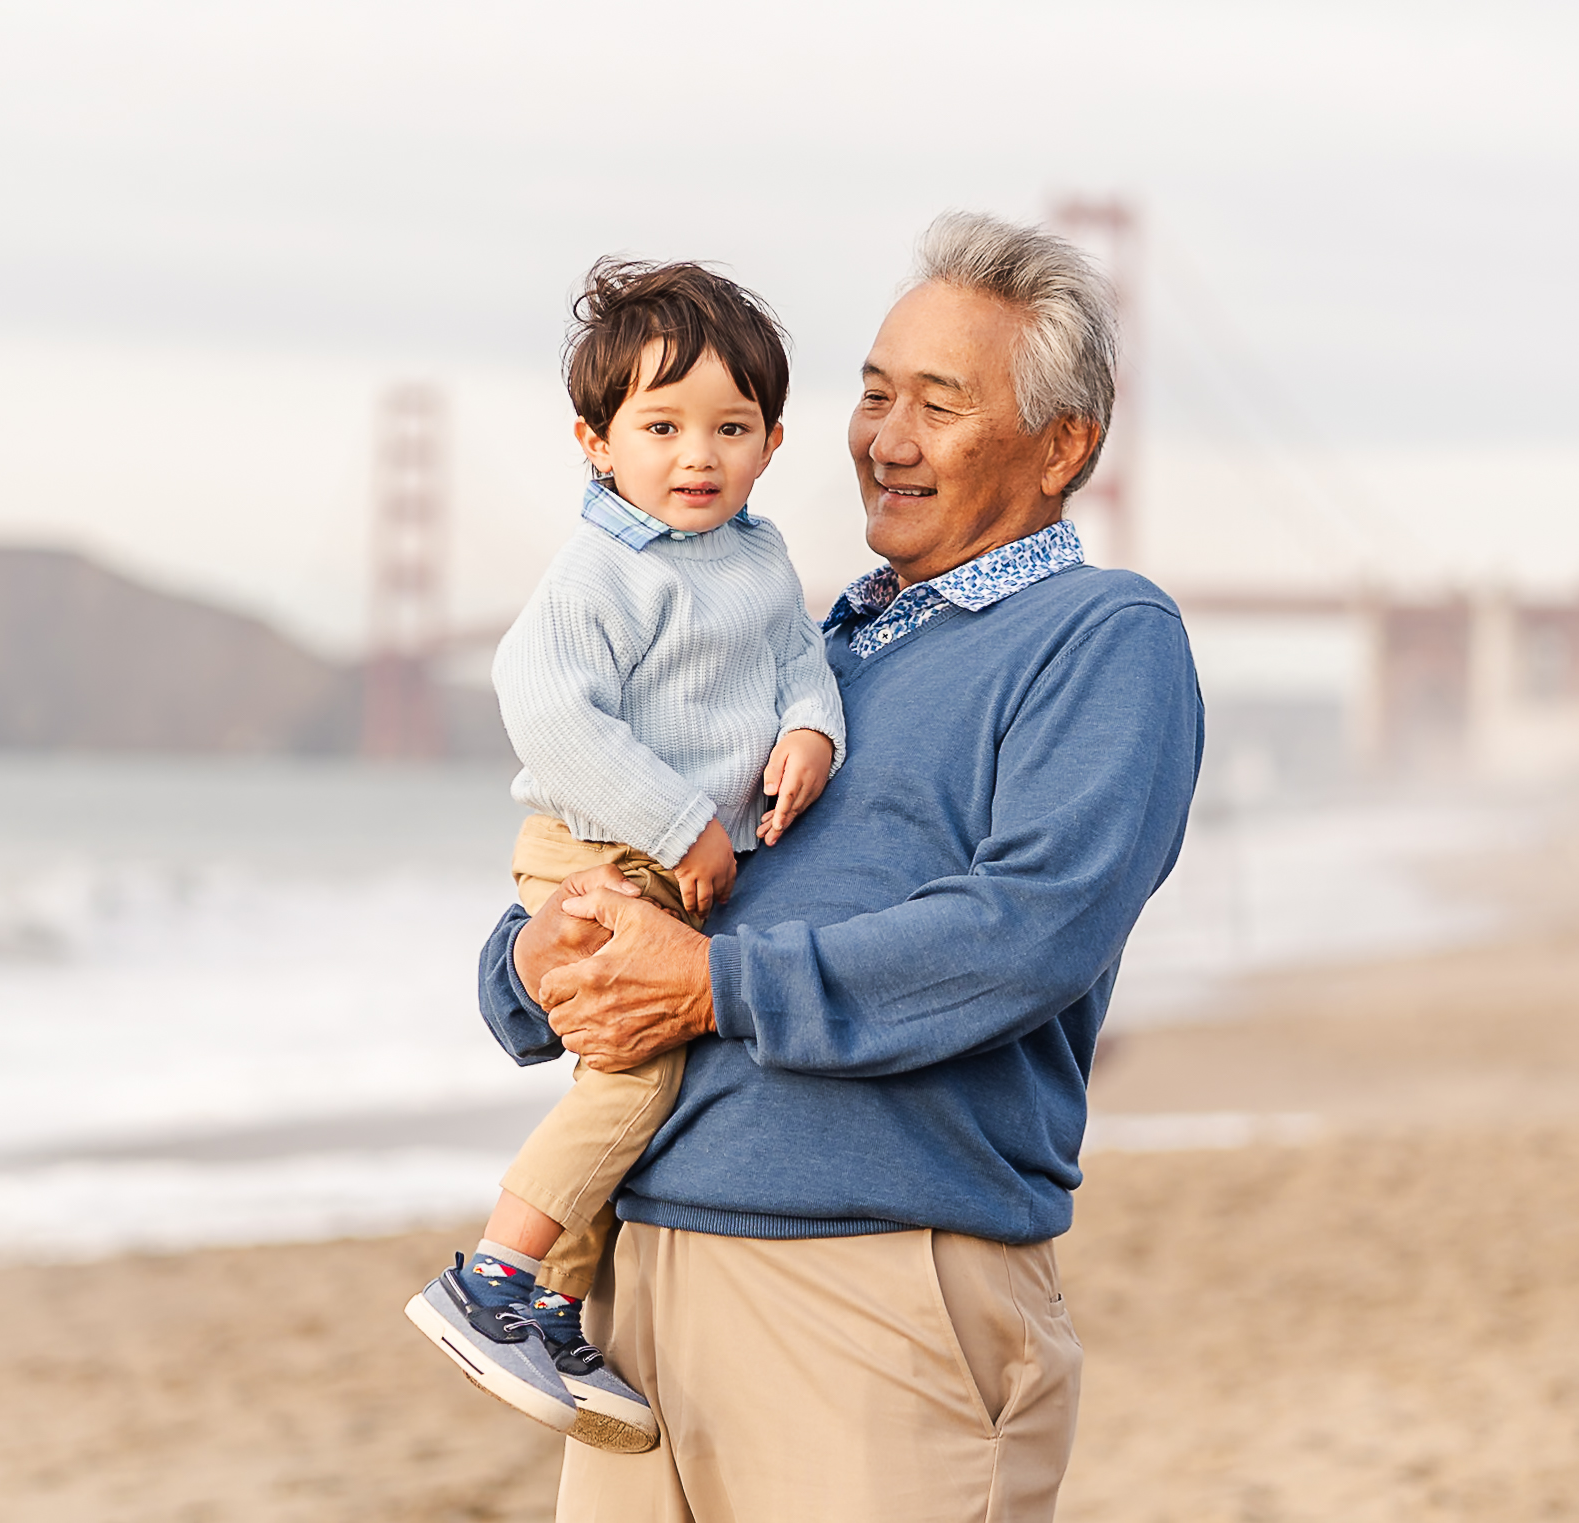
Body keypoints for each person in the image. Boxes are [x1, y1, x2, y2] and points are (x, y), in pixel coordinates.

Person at [478, 210, 1204, 1522]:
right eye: (873, 395)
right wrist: (530, 968)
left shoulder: (1099, 637)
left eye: (939, 403)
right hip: (633, 1301)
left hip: (875, 1296)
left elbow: (1024, 929)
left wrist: (714, 985)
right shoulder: (803, 646)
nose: (885, 438)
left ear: (1063, 445)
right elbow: (629, 859)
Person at [406, 259, 845, 1454]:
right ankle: (493, 1276)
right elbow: (546, 711)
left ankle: (555, 1304)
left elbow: (795, 659)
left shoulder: (754, 556)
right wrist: (679, 825)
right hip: (597, 849)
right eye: (659, 426)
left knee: (635, 1079)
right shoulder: (599, 571)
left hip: (667, 852)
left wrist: (812, 726)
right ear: (595, 442)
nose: (694, 455)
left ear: (769, 441)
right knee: (633, 1075)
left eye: (729, 427)